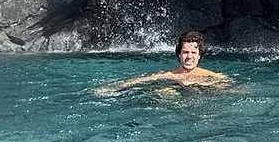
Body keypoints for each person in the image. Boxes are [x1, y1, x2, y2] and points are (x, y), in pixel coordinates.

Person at [96, 30, 232, 95]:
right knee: (165, 92)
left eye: (193, 53)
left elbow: (232, 87)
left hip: (202, 108)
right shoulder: (170, 75)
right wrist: (113, 88)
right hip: (175, 111)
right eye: (185, 52)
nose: (189, 57)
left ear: (199, 56)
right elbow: (139, 81)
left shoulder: (211, 76)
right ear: (179, 54)